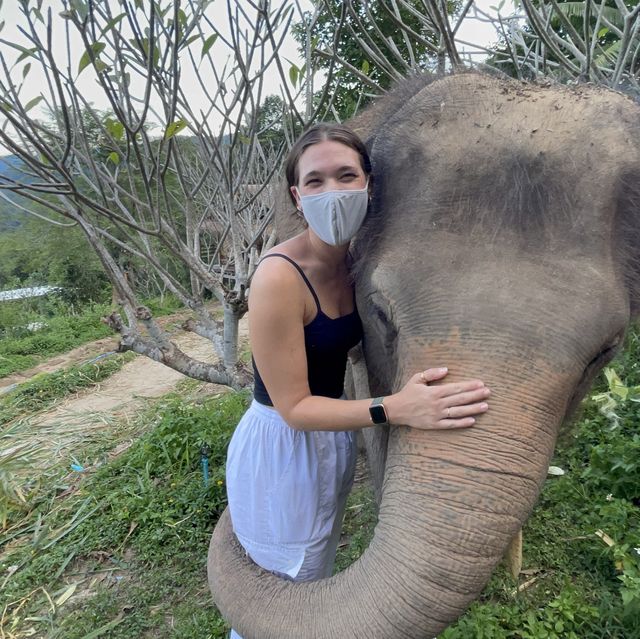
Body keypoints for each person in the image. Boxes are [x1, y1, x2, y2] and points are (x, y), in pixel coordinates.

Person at [225, 123, 490, 639]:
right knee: (282, 591)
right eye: (316, 181)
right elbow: (294, 408)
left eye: (346, 175)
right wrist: (395, 408)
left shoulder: (356, 263)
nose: (333, 192)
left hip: (332, 437)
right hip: (285, 447)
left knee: (315, 564)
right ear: (297, 197)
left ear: (369, 183)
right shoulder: (279, 276)